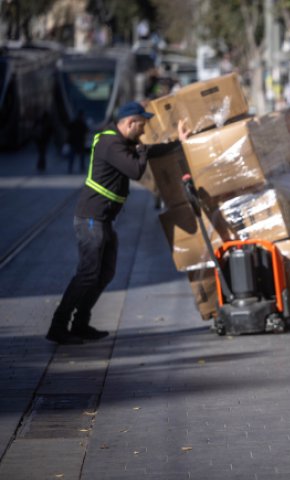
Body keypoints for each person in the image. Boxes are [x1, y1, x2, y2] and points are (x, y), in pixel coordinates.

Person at [46, 102, 190, 345]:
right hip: (92, 218)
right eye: (141, 126)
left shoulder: (121, 142)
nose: (143, 132)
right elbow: (135, 170)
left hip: (103, 219)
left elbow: (149, 151)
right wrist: (143, 150)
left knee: (104, 273)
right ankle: (58, 326)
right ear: (130, 123)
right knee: (88, 273)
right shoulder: (110, 143)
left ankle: (81, 323)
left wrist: (179, 142)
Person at [66, 110, 89, 174]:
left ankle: (70, 168)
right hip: (80, 142)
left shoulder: (74, 122)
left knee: (72, 156)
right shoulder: (82, 123)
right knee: (81, 156)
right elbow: (87, 130)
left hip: (73, 142)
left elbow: (68, 127)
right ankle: (82, 167)